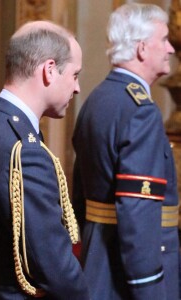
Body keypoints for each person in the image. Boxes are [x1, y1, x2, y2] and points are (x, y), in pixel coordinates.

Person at [0, 20, 90, 299]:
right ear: (49, 70)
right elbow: (55, 267)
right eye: (75, 75)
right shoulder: (22, 150)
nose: (76, 88)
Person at [72, 3, 179, 300]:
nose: (170, 48)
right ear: (142, 48)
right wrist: (149, 287)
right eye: (164, 40)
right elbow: (139, 210)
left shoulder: (97, 100)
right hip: (129, 272)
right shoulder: (140, 111)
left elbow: (79, 191)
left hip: (97, 257)